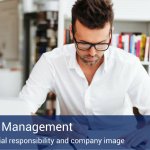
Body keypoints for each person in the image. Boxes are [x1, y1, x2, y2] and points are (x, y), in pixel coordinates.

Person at [20, 0, 150, 148]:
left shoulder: (129, 64)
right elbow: (20, 113)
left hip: (122, 143)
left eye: (101, 43)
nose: (92, 53)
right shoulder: (51, 62)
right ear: (72, 32)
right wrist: (58, 129)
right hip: (71, 143)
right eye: (84, 43)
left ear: (110, 34)